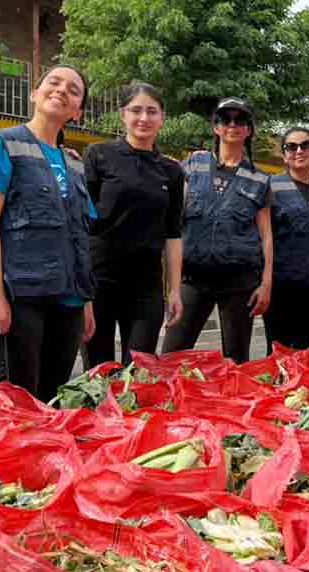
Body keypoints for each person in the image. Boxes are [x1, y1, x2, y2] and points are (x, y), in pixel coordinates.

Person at [0, 65, 97, 402]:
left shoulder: (74, 164)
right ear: (34, 93)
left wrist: (85, 302)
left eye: (73, 90)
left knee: (52, 402)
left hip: (68, 301)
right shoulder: (6, 144)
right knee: (19, 404)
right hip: (19, 296)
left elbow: (79, 237)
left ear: (77, 111)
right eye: (53, 82)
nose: (61, 90)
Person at [161, 97, 273, 364]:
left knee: (235, 362)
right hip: (193, 278)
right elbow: (173, 217)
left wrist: (266, 284)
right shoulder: (192, 166)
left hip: (239, 282)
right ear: (216, 128)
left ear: (248, 130)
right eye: (225, 119)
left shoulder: (260, 179)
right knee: (169, 358)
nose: (233, 125)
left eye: (240, 120)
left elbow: (267, 236)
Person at [82, 82, 184, 366]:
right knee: (98, 372)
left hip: (146, 286)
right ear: (123, 114)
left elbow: (173, 234)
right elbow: (80, 223)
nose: (144, 118)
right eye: (136, 110)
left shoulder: (171, 171)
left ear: (162, 117)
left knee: (139, 372)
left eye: (152, 111)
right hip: (99, 280)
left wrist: (174, 289)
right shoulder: (98, 155)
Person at [262, 127, 309, 351]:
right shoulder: (271, 186)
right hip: (282, 287)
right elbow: (263, 236)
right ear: (284, 154)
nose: (299, 151)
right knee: (279, 353)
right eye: (291, 147)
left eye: (305, 145)